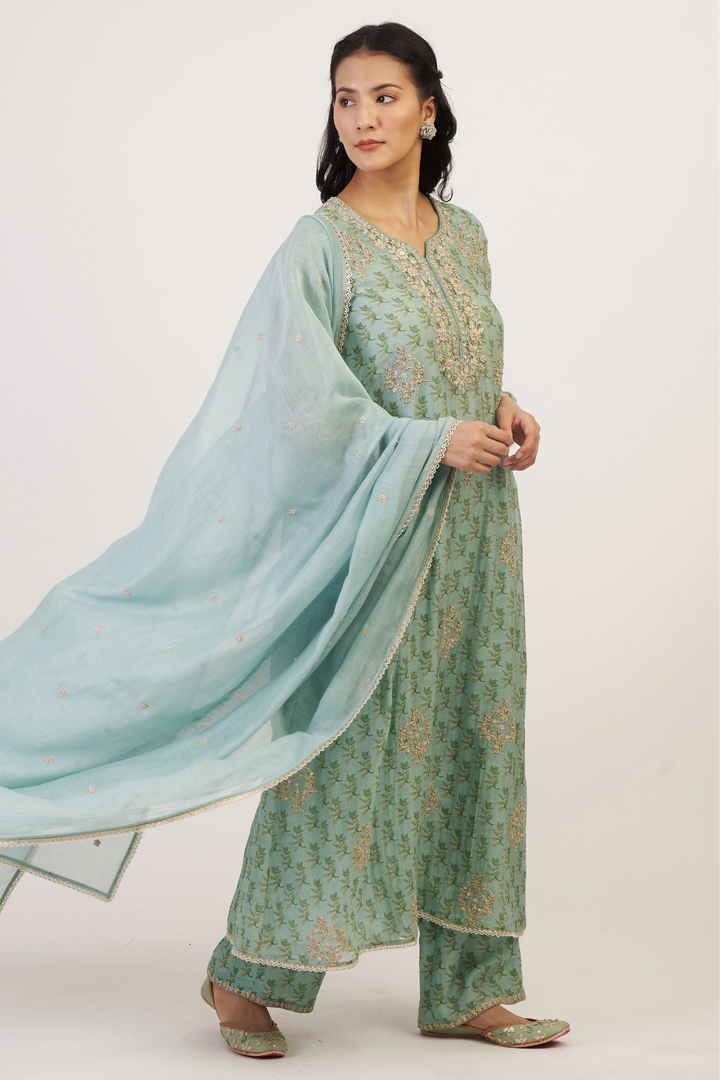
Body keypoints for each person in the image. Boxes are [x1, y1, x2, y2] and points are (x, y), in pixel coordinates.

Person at [0, 21, 569, 1059]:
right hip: (379, 541)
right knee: (338, 752)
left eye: (385, 97)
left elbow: (456, 353)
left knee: (479, 744)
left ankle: (471, 985)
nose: (362, 118)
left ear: (430, 110)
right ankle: (246, 974)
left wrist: (502, 408)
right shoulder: (321, 244)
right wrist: (427, 440)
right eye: (346, 99)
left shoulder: (469, 232)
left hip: (480, 537)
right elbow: (300, 405)